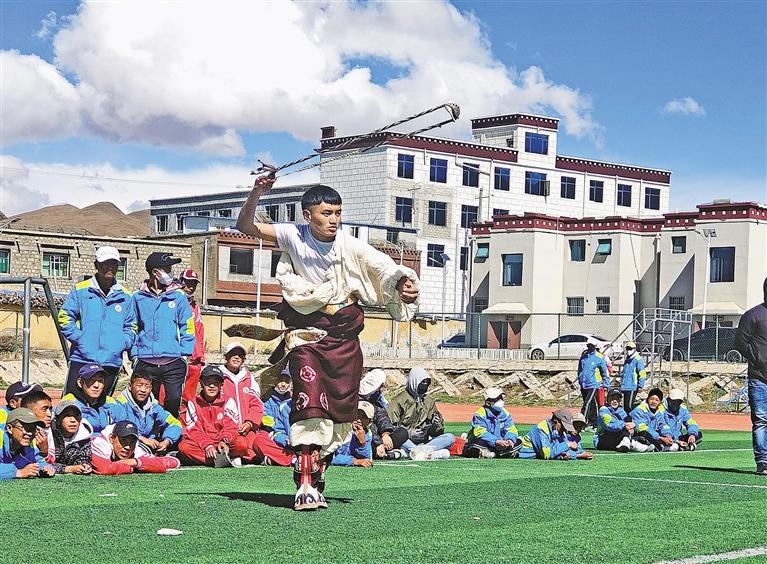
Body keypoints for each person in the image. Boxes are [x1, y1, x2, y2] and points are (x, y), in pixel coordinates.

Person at [236, 174, 420, 510]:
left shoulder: (349, 244)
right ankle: (304, 484)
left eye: (338, 212)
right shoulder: (292, 235)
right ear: (308, 216)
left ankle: (317, 473)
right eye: (326, 213)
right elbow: (245, 225)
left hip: (344, 340)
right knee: (309, 404)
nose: (334, 219)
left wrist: (403, 282)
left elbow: (384, 268)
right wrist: (257, 191)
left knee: (340, 415)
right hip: (306, 336)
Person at [58, 246, 136, 397]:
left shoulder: (126, 296)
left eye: (114, 263)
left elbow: (131, 325)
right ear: (96, 265)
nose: (110, 267)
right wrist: (80, 339)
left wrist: (122, 343)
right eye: (105, 263)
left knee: (103, 404)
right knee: (70, 403)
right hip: (82, 359)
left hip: (111, 361)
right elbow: (65, 317)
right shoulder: (81, 290)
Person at [132, 252, 195, 418]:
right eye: (167, 269)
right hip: (145, 361)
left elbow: (187, 325)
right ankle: (150, 436)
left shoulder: (178, 297)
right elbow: (132, 327)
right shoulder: (137, 298)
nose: (170, 273)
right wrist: (134, 355)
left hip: (173, 360)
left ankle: (170, 437)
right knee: (146, 403)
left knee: (173, 400)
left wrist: (184, 353)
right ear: (155, 272)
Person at [220, 342, 294, 466]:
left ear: (244, 359)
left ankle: (290, 459)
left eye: (240, 355)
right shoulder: (217, 378)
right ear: (225, 356)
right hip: (226, 429)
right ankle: (252, 457)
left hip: (248, 429)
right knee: (241, 445)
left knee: (259, 442)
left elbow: (256, 406)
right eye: (233, 354)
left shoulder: (249, 379)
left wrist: (249, 423)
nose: (236, 357)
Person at [178, 366, 252, 467]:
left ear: (221, 385)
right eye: (208, 382)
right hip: (203, 444)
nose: (212, 386)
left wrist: (224, 441)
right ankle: (223, 460)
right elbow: (194, 430)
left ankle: (215, 459)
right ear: (201, 383)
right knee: (184, 447)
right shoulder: (193, 403)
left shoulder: (229, 401)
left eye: (216, 383)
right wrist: (207, 445)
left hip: (224, 443)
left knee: (242, 444)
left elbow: (231, 427)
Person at [387, 367, 454, 461]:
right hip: (406, 440)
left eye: (427, 382)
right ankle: (426, 452)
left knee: (450, 437)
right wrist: (409, 433)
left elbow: (437, 433)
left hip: (424, 440)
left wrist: (437, 425)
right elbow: (390, 428)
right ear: (414, 381)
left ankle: (415, 452)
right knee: (399, 437)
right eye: (422, 382)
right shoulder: (398, 401)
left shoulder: (429, 401)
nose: (425, 385)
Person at [735, 277, 767, 475]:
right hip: (759, 377)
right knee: (762, 420)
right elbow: (740, 343)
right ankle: (763, 461)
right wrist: (758, 359)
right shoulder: (752, 315)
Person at [117, 370, 182, 454]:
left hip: (150, 444)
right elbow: (116, 427)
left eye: (147, 387)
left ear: (151, 388)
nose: (143, 390)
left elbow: (175, 423)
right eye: (139, 386)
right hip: (128, 445)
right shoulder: (120, 405)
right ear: (130, 386)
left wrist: (167, 441)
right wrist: (142, 439)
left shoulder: (154, 407)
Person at [91, 420, 181, 475]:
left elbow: (174, 462)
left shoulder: (136, 448)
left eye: (132, 442)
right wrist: (129, 468)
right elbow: (104, 469)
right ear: (112, 438)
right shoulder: (100, 443)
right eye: (123, 441)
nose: (127, 447)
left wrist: (136, 462)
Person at [61, 364, 126, 435]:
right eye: (91, 380)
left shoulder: (112, 403)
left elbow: (124, 426)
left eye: (100, 381)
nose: (96, 385)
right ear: (80, 383)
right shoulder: (69, 403)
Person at [464, 387, 520, 459]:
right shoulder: (480, 414)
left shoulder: (506, 414)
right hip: (487, 442)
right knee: (477, 443)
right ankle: (502, 453)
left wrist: (510, 440)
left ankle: (494, 453)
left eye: (501, 398)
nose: (500, 400)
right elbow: (480, 433)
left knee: (518, 442)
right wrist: (496, 441)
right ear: (488, 403)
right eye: (496, 399)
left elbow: (511, 429)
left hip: (501, 443)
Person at [1, 408, 55, 479]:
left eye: (32, 429)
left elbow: (37, 460)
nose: (29, 433)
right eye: (25, 428)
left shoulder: (30, 442)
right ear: (10, 428)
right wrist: (18, 472)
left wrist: (46, 468)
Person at [179, 269, 206, 402]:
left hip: (195, 359)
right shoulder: (174, 302)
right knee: (170, 396)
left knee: (189, 398)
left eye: (193, 284)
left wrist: (201, 355)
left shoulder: (195, 306)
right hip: (178, 358)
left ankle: (184, 422)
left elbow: (200, 331)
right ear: (180, 282)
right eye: (188, 283)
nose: (190, 287)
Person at [46, 400, 93, 475]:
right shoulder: (49, 434)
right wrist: (69, 469)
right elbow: (43, 463)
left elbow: (84, 457)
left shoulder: (84, 437)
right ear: (57, 419)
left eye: (76, 416)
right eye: (67, 416)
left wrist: (84, 465)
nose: (73, 420)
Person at [629, 388, 675, 453]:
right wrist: (660, 438)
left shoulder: (659, 411)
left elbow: (663, 425)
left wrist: (668, 435)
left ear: (660, 402)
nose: (654, 402)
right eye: (652, 399)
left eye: (657, 400)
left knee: (672, 444)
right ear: (648, 399)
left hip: (653, 436)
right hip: (638, 434)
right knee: (645, 434)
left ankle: (656, 446)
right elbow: (642, 428)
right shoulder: (639, 410)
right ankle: (657, 446)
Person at [578, 337, 609, 427]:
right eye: (588, 345)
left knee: (586, 403)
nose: (589, 347)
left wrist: (606, 384)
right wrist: (580, 379)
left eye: (591, 345)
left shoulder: (599, 357)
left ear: (595, 346)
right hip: (584, 384)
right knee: (590, 403)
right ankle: (593, 421)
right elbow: (580, 370)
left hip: (593, 384)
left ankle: (581, 422)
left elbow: (604, 372)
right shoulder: (583, 357)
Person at [331, 401, 374, 468]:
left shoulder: (367, 433)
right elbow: (330, 457)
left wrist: (362, 444)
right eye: (357, 414)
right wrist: (353, 461)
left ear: (369, 422)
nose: (359, 420)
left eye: (364, 417)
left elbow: (368, 459)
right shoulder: (339, 427)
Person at [262, 368, 292, 448]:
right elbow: (267, 418)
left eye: (286, 381)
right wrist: (271, 431)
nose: (283, 384)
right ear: (275, 382)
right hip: (275, 433)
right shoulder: (268, 400)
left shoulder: (291, 400)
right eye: (280, 380)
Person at [20, 389, 52, 459]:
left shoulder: (53, 430)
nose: (49, 414)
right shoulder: (18, 434)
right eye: (44, 409)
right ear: (29, 411)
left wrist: (44, 453)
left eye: (50, 409)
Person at [620, 341, 647, 413]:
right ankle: (626, 421)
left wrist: (640, 385)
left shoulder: (638, 359)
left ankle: (632, 419)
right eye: (627, 348)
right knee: (625, 406)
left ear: (634, 349)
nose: (628, 350)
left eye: (630, 348)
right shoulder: (627, 360)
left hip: (632, 386)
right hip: (625, 386)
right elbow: (624, 373)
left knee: (629, 406)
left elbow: (642, 373)